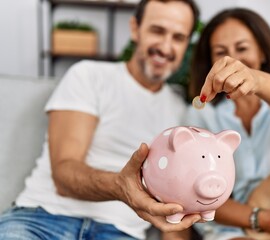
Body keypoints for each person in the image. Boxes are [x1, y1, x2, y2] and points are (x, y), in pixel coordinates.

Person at [0, 0, 202, 239]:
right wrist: (120, 186)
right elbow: (64, 175)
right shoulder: (89, 76)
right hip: (42, 218)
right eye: (157, 31)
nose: (166, 47)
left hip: (118, 232)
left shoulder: (182, 116)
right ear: (135, 28)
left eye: (178, 37)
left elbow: (175, 213)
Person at [182, 7, 270, 240]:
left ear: (263, 53)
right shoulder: (202, 117)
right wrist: (262, 219)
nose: (231, 60)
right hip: (234, 230)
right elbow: (195, 194)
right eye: (220, 52)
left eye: (242, 48)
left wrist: (255, 79)